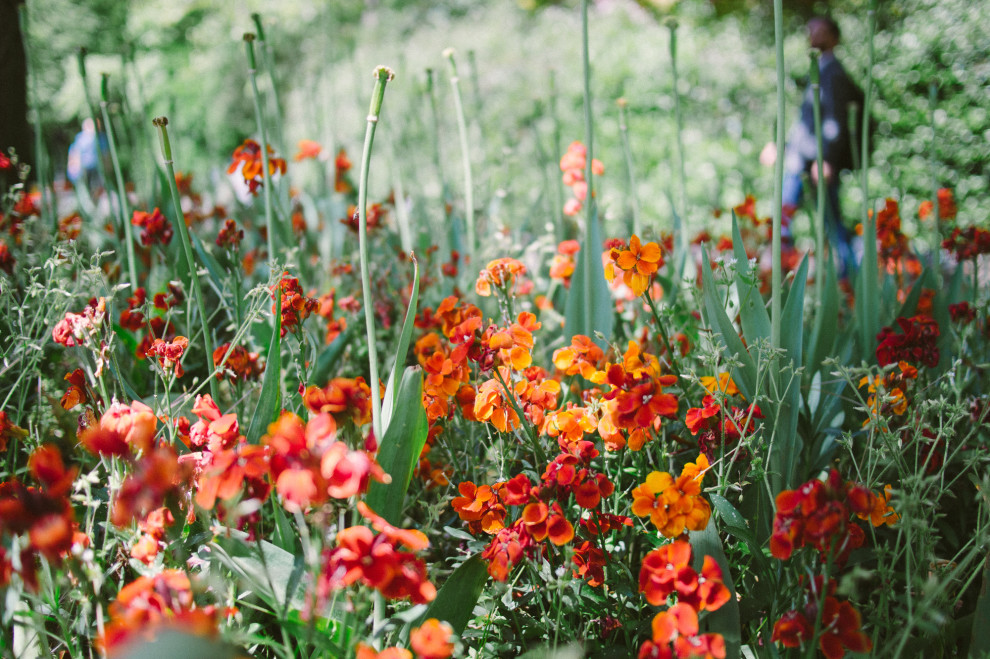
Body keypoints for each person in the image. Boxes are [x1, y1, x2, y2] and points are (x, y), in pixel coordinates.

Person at [780, 15, 864, 278]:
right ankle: (781, 272)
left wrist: (826, 159)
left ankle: (847, 279)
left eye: (820, 30)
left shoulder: (834, 73)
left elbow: (835, 120)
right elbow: (808, 121)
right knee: (785, 217)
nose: (812, 34)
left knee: (830, 220)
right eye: (810, 28)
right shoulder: (818, 69)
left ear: (834, 38)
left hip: (816, 161)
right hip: (800, 158)